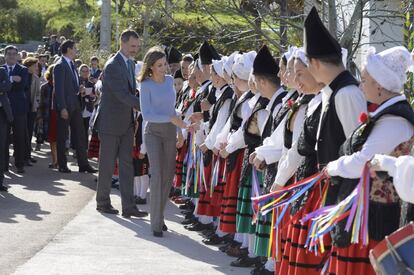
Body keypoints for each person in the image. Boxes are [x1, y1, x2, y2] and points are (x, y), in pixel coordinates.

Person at [325, 46, 414, 275]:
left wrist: (332, 167)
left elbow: (363, 161)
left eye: (364, 79)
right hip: (368, 213)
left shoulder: (394, 120)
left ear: (379, 85)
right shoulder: (386, 114)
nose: (360, 84)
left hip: (377, 218)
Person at [96, 29, 147, 218]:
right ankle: (103, 202)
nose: (135, 49)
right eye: (133, 46)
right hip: (110, 125)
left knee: (127, 166)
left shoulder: (130, 63)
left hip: (126, 124)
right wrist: (147, 106)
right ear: (122, 43)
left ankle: (129, 206)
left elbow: (131, 93)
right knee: (107, 166)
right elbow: (122, 96)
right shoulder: (112, 65)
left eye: (137, 46)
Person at [139, 46, 187, 237]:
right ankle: (156, 223)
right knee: (157, 174)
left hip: (169, 132)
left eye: (165, 64)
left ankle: (159, 216)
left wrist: (180, 130)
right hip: (152, 133)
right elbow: (147, 114)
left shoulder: (169, 82)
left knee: (168, 176)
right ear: (150, 66)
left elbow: (171, 110)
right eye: (159, 65)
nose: (163, 68)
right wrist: (172, 119)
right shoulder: (146, 85)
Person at [53, 40, 96, 174]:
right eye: (75, 48)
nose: (76, 50)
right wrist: (63, 108)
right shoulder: (60, 65)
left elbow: (71, 85)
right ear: (69, 49)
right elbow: (59, 89)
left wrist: (79, 89)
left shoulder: (71, 64)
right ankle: (62, 164)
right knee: (63, 136)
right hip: (66, 107)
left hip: (76, 105)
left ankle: (83, 164)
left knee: (81, 135)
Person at [3, 45, 30, 174]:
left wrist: (5, 83)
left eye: (14, 53)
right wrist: (12, 79)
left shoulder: (23, 70)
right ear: (5, 55)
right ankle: (4, 165)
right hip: (3, 110)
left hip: (19, 109)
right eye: (9, 53)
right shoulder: (1, 69)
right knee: (3, 138)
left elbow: (22, 86)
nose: (12, 56)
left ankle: (19, 164)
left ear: (17, 56)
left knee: (19, 137)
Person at [23, 57, 41, 164]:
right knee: (22, 133)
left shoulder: (36, 78)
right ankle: (21, 155)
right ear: (28, 66)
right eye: (34, 65)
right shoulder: (24, 75)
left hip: (32, 108)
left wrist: (36, 104)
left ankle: (28, 155)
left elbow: (38, 93)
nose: (36, 67)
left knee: (29, 133)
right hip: (22, 108)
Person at [39, 64, 58, 168]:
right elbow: (41, 104)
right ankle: (55, 160)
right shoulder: (44, 87)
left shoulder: (61, 85)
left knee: (60, 138)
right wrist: (40, 117)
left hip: (59, 114)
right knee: (51, 139)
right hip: (48, 115)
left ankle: (59, 160)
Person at [0, 67, 12, 192]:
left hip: (2, 115)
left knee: (1, 148)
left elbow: (8, 86)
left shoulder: (2, 71)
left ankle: (0, 181)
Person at [78, 64, 96, 147]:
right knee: (78, 129)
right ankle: (75, 147)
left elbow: (94, 97)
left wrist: (92, 97)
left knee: (85, 130)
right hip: (78, 108)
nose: (85, 73)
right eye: (83, 71)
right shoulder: (76, 81)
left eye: (87, 71)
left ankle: (85, 148)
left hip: (88, 109)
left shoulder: (91, 84)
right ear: (80, 72)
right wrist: (80, 93)